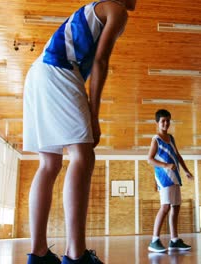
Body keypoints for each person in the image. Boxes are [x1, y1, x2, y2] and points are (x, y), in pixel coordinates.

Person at [23, 1, 136, 263]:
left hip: (38, 72)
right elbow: (100, 61)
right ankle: (76, 254)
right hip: (59, 69)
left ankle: (38, 254)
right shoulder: (115, 9)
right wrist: (94, 116)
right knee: (82, 156)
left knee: (49, 163)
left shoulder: (96, 9)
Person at [147, 109, 194, 253]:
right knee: (165, 207)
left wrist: (186, 171)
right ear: (157, 123)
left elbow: (178, 155)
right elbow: (149, 159)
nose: (166, 123)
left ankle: (174, 240)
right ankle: (154, 240)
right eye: (163, 121)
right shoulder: (156, 139)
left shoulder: (171, 138)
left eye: (168, 120)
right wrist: (166, 165)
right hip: (164, 177)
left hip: (175, 176)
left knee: (176, 206)